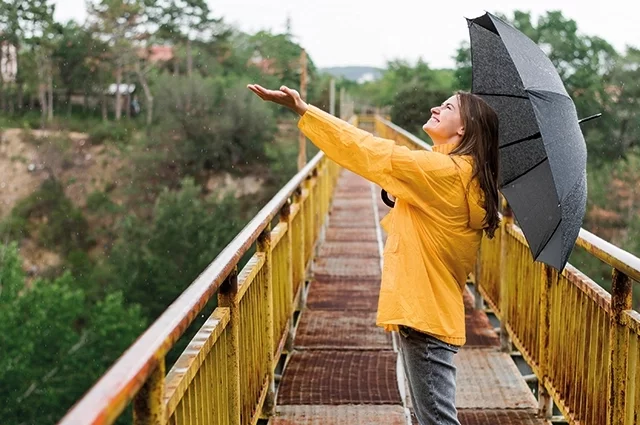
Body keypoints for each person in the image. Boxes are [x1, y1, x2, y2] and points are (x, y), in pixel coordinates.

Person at [247, 83, 500, 425]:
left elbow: (371, 150)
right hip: (432, 307)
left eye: (447, 107)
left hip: (424, 311)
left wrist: (305, 110)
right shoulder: (462, 174)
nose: (434, 110)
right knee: (432, 415)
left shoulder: (444, 173)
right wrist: (402, 192)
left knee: (437, 420)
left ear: (464, 128)